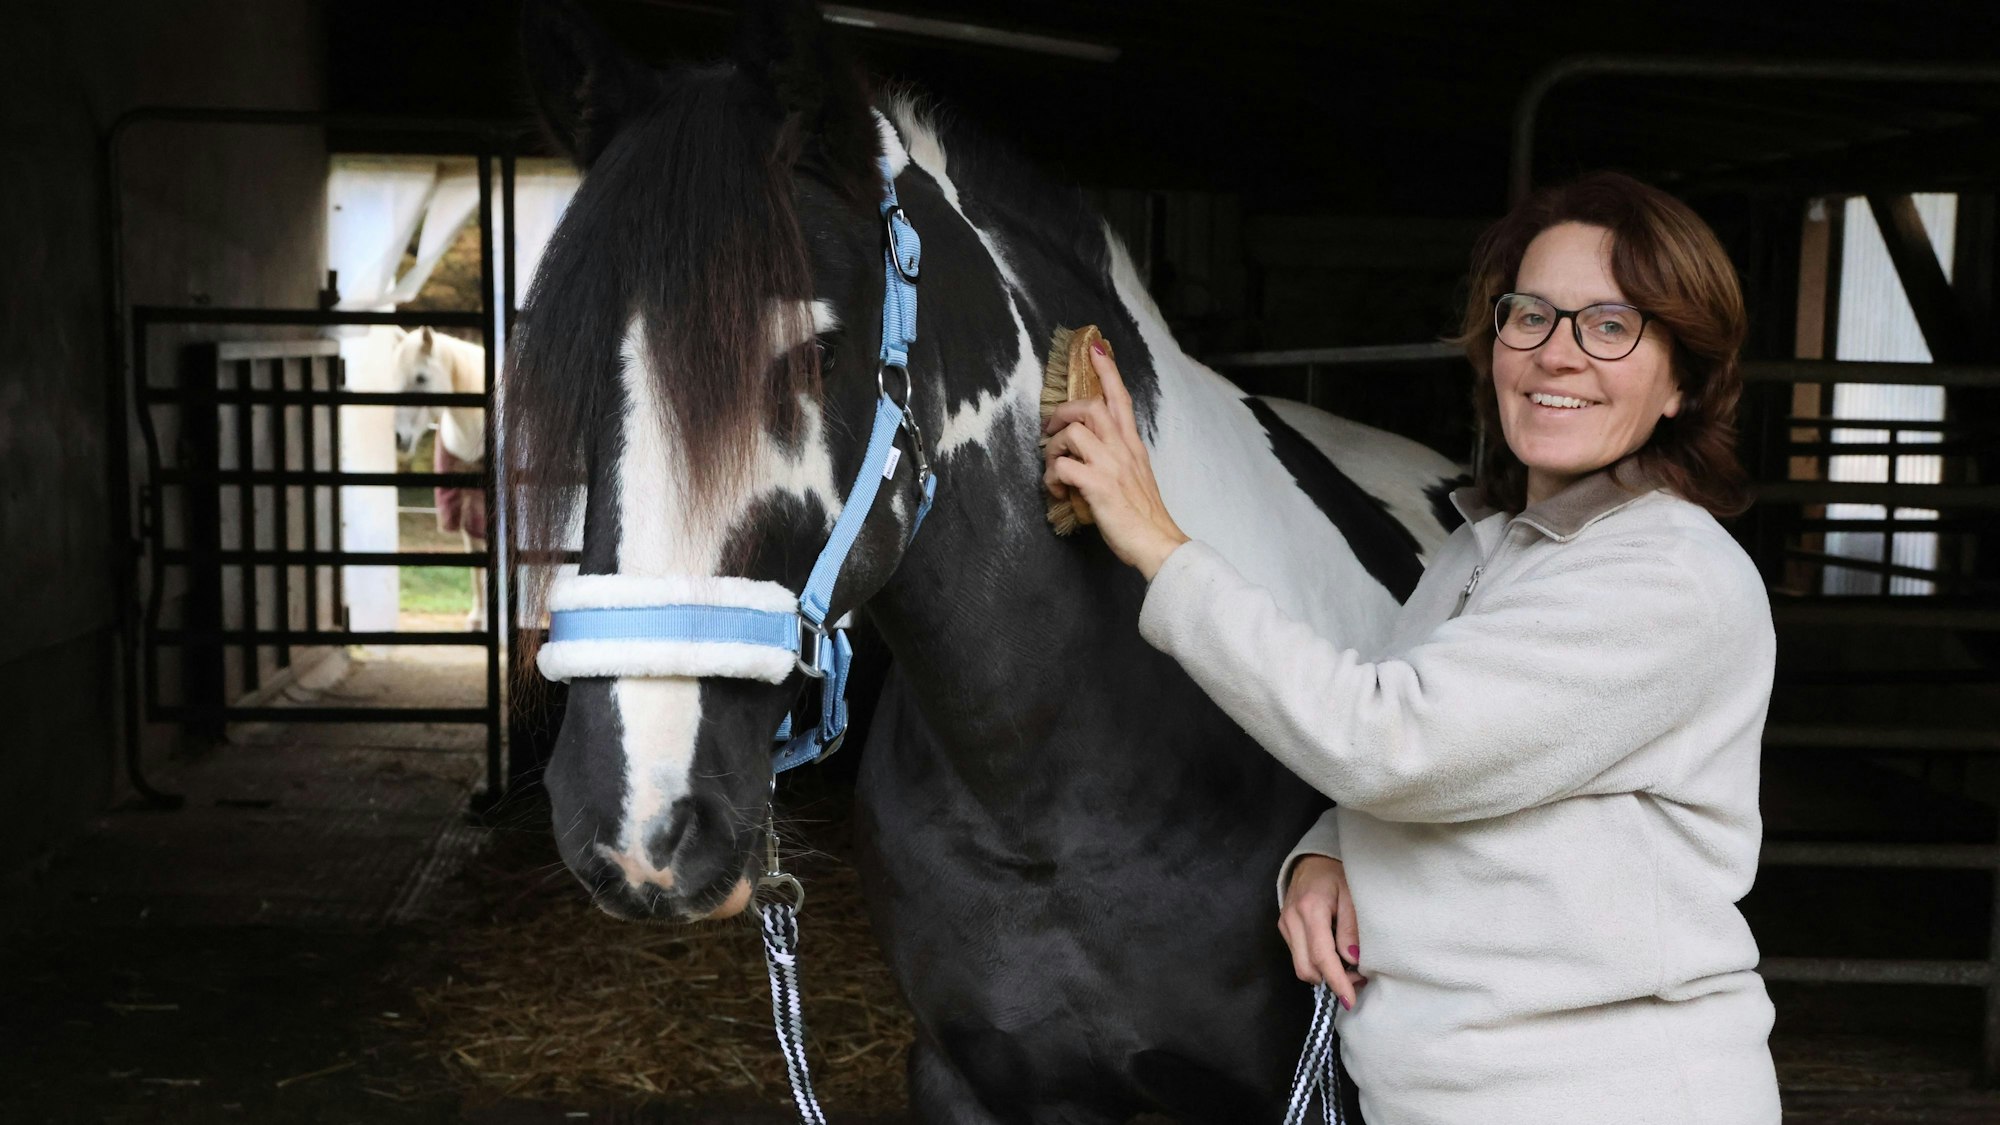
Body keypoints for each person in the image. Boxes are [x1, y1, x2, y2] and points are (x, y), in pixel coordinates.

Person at [1041, 171, 1781, 1124]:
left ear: (1683, 378)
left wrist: (1158, 542)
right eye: (1531, 316)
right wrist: (1323, 852)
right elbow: (1445, 751)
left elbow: (1391, 742)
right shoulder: (1486, 548)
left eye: (1611, 325)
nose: (1558, 354)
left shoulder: (1666, 574)